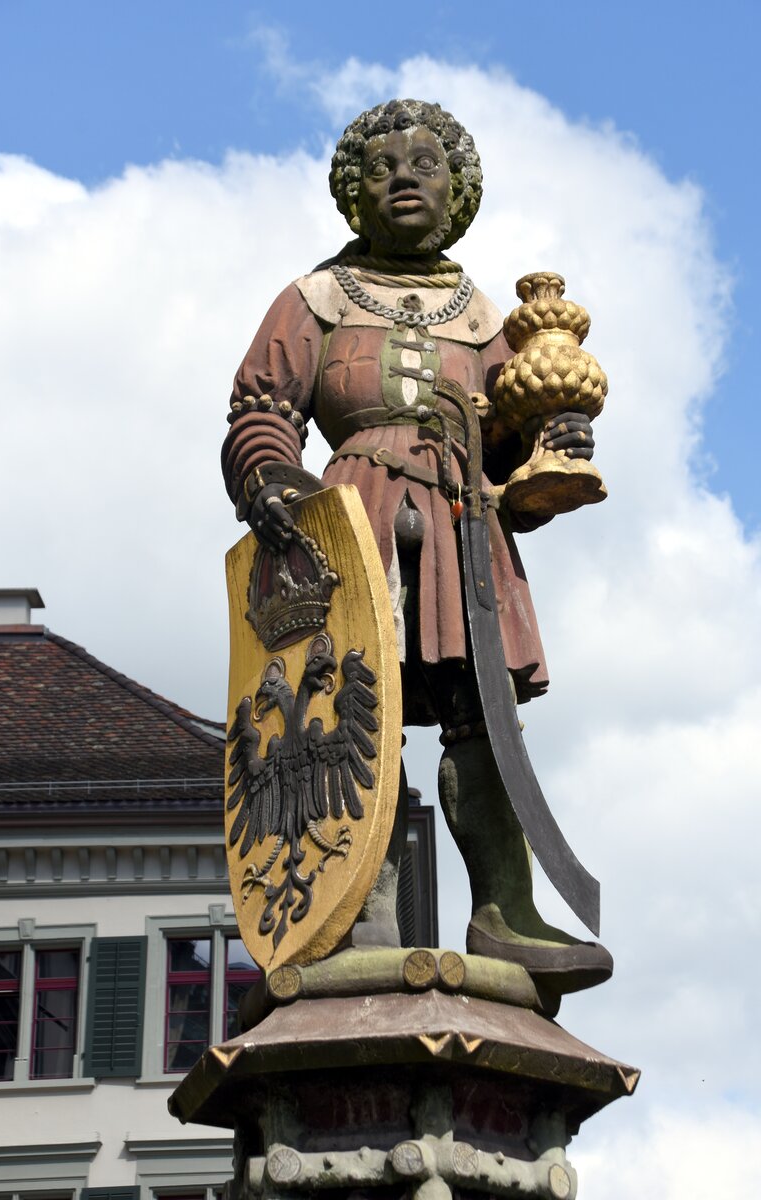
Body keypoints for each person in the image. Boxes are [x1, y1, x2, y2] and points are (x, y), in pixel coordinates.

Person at [222, 99, 611, 995]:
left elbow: (517, 455)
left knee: (483, 724)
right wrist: (276, 483)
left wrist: (549, 451)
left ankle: (505, 910)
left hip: (463, 530)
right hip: (349, 521)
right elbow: (261, 414)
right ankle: (360, 910)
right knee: (362, 718)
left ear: (458, 191)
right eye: (382, 165)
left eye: (426, 163)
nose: (403, 175)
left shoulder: (488, 317)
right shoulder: (315, 300)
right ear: (353, 194)